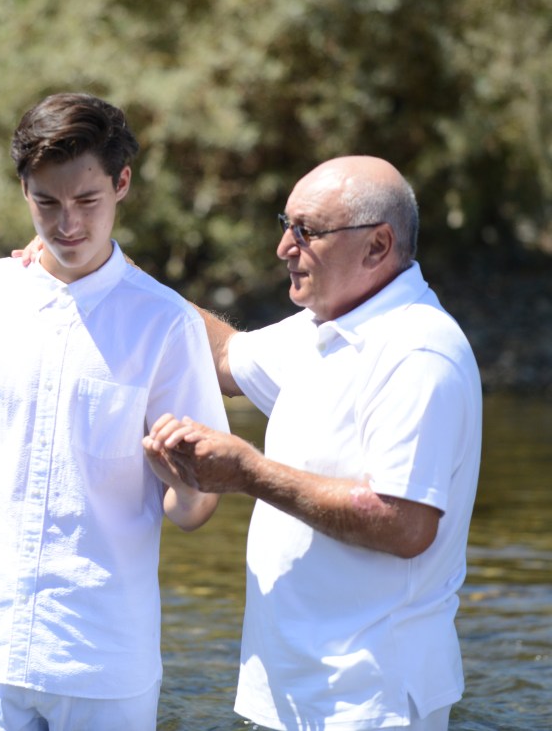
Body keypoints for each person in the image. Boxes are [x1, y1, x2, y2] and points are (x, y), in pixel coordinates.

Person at [0, 92, 229, 730]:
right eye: (46, 202)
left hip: (106, 659)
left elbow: (196, 508)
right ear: (23, 190)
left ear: (122, 184)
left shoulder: (166, 322)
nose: (67, 223)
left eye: (87, 200)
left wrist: (185, 484)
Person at [144, 156, 482, 731]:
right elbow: (222, 355)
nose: (284, 247)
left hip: (370, 703)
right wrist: (108, 266)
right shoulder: (322, 327)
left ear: (377, 245)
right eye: (286, 224)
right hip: (296, 692)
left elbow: (404, 524)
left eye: (307, 231)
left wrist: (248, 473)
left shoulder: (418, 351)